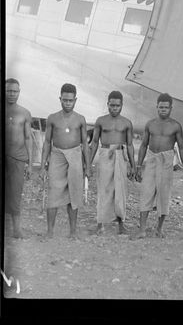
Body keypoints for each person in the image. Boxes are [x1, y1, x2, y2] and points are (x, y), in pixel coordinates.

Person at [132, 93, 183, 239]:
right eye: (161, 107)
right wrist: (139, 166)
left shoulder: (175, 126)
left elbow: (182, 147)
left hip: (166, 160)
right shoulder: (150, 124)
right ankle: (142, 229)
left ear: (171, 108)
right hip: (152, 158)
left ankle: (159, 228)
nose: (163, 110)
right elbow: (144, 145)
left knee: (164, 195)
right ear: (156, 107)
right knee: (146, 192)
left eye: (166, 107)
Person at [40, 83, 90, 239]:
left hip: (75, 155)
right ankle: (49, 232)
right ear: (60, 99)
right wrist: (42, 166)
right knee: (54, 191)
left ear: (75, 100)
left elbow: (85, 145)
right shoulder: (53, 118)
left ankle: (73, 231)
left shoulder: (80, 119)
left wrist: (87, 166)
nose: (67, 103)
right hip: (57, 155)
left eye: (70, 100)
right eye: (65, 100)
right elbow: (47, 142)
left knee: (74, 194)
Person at [89, 91, 135, 235]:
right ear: (107, 104)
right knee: (104, 188)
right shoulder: (101, 121)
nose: (114, 108)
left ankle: (121, 224)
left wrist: (133, 165)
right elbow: (95, 142)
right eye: (112, 105)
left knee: (120, 190)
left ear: (122, 105)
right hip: (105, 154)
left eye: (117, 106)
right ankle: (100, 223)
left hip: (120, 155)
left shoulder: (126, 122)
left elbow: (130, 144)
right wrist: (88, 164)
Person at [5, 78, 33, 239]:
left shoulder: (24, 113)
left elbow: (28, 138)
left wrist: (29, 164)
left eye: (14, 91)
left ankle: (17, 229)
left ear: (19, 92)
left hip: (18, 158)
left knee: (16, 192)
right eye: (9, 90)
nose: (11, 94)